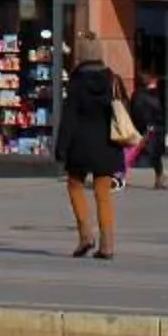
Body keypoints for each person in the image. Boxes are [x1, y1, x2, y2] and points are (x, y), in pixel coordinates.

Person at [57, 40, 124, 259]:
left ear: (81, 57)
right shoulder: (112, 79)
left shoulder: (76, 83)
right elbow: (125, 109)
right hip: (107, 144)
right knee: (102, 192)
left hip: (80, 144)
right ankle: (107, 244)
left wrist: (61, 147)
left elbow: (69, 118)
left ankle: (85, 235)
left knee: (74, 185)